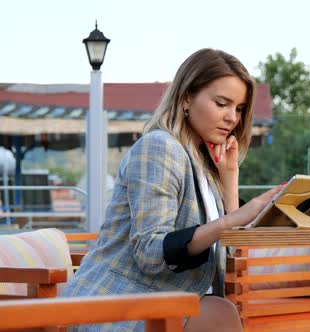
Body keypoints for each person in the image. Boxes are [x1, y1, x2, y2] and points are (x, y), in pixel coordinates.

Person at [60, 48, 282, 331]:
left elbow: (228, 252)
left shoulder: (203, 163)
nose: (232, 118)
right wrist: (229, 221)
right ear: (187, 97)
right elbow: (150, 253)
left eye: (238, 108)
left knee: (221, 312)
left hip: (172, 303)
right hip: (117, 305)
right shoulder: (159, 147)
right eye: (222, 103)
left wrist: (230, 178)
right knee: (220, 313)